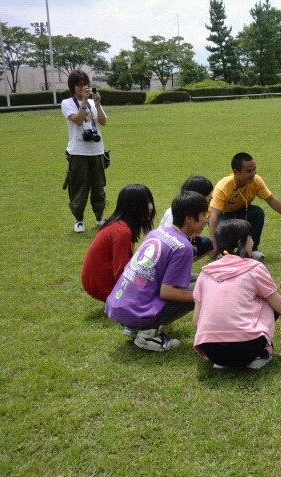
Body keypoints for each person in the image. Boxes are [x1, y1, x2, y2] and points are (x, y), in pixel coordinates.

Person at [192, 219, 281, 370]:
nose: (252, 241)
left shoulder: (206, 272)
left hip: (212, 352)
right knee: (266, 299)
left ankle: (224, 361)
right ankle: (260, 354)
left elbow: (196, 321)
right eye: (250, 237)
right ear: (240, 242)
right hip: (247, 348)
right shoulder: (254, 268)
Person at [105, 192, 210, 352]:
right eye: (204, 215)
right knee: (202, 292)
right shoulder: (183, 247)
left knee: (197, 287)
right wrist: (201, 297)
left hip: (119, 306)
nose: (206, 220)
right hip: (136, 311)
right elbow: (167, 292)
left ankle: (136, 328)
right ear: (189, 218)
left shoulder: (157, 232)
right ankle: (148, 333)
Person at [208, 152, 281, 261]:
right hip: (224, 216)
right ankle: (224, 252)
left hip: (242, 211)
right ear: (236, 172)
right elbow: (214, 215)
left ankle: (252, 249)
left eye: (254, 169)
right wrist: (213, 243)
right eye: (249, 171)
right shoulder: (223, 187)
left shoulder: (256, 181)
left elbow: (271, 199)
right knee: (224, 225)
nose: (253, 173)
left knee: (257, 212)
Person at [81, 184, 155, 302]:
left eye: (150, 201)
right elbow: (121, 273)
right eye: (145, 202)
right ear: (133, 206)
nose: (150, 207)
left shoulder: (119, 225)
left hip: (98, 281)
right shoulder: (121, 231)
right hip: (103, 285)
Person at [61, 69, 108, 233]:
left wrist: (97, 103)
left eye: (85, 84)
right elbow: (79, 121)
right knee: (79, 188)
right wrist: (84, 102)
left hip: (96, 151)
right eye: (79, 85)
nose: (83, 87)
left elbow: (103, 122)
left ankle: (100, 217)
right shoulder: (67, 103)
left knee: (98, 187)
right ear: (72, 87)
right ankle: (78, 220)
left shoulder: (93, 103)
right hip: (78, 152)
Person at [160, 175, 214, 259]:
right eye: (208, 194)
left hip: (182, 243)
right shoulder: (174, 212)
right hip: (170, 250)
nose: (211, 197)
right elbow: (168, 241)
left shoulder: (194, 210)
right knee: (188, 249)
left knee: (206, 243)